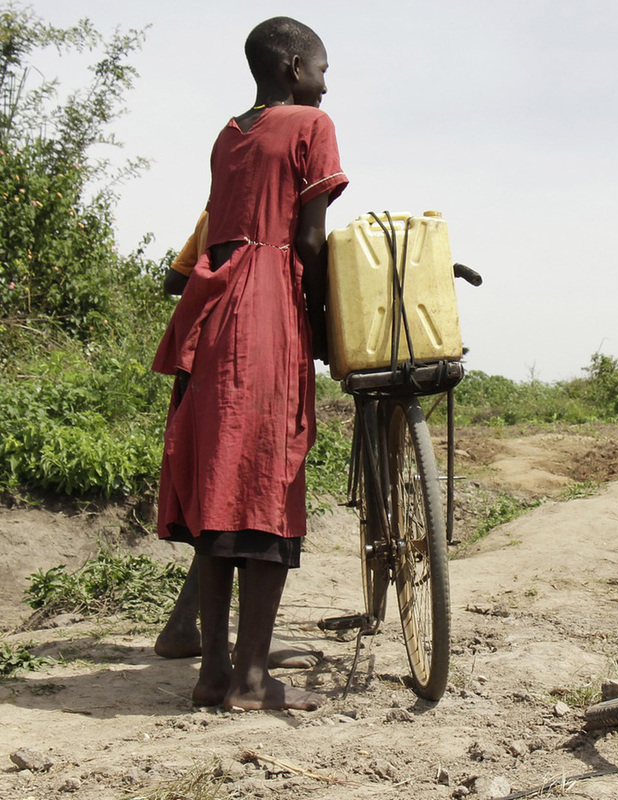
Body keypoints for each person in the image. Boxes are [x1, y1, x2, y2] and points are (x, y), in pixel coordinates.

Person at [152, 16, 348, 711]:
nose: (328, 82)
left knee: (219, 484)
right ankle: (254, 682)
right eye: (323, 68)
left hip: (211, 310)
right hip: (268, 307)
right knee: (268, 477)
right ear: (293, 66)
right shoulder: (309, 125)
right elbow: (312, 239)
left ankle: (213, 674)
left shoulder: (228, 133)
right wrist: (325, 327)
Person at [154, 212, 322, 671]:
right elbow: (311, 252)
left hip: (202, 355)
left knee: (223, 499)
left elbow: (176, 279)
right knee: (252, 496)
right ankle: (248, 657)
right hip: (244, 356)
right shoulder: (284, 221)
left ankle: (186, 627)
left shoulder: (216, 214)